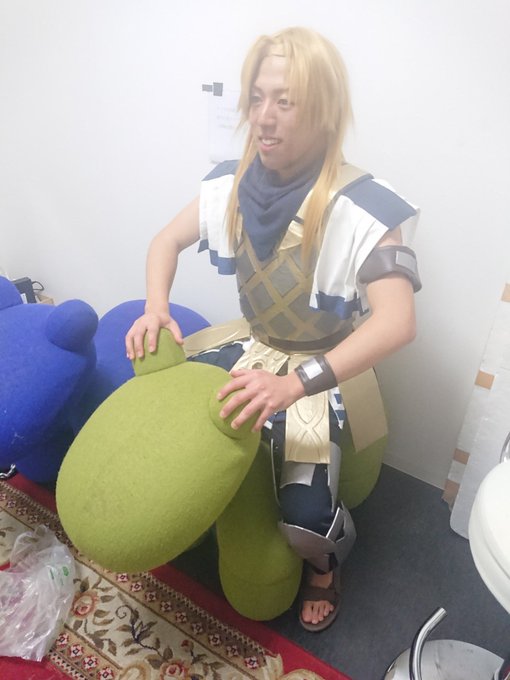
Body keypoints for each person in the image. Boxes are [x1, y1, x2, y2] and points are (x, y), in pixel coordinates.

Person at [125, 26, 420, 632]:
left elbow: (398, 322)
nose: (263, 117)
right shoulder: (233, 183)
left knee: (305, 521)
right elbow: (164, 240)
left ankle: (325, 566)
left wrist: (294, 385)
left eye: (285, 101)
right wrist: (156, 306)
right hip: (251, 344)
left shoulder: (363, 204)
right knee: (166, 425)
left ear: (324, 109)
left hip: (321, 369)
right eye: (257, 98)